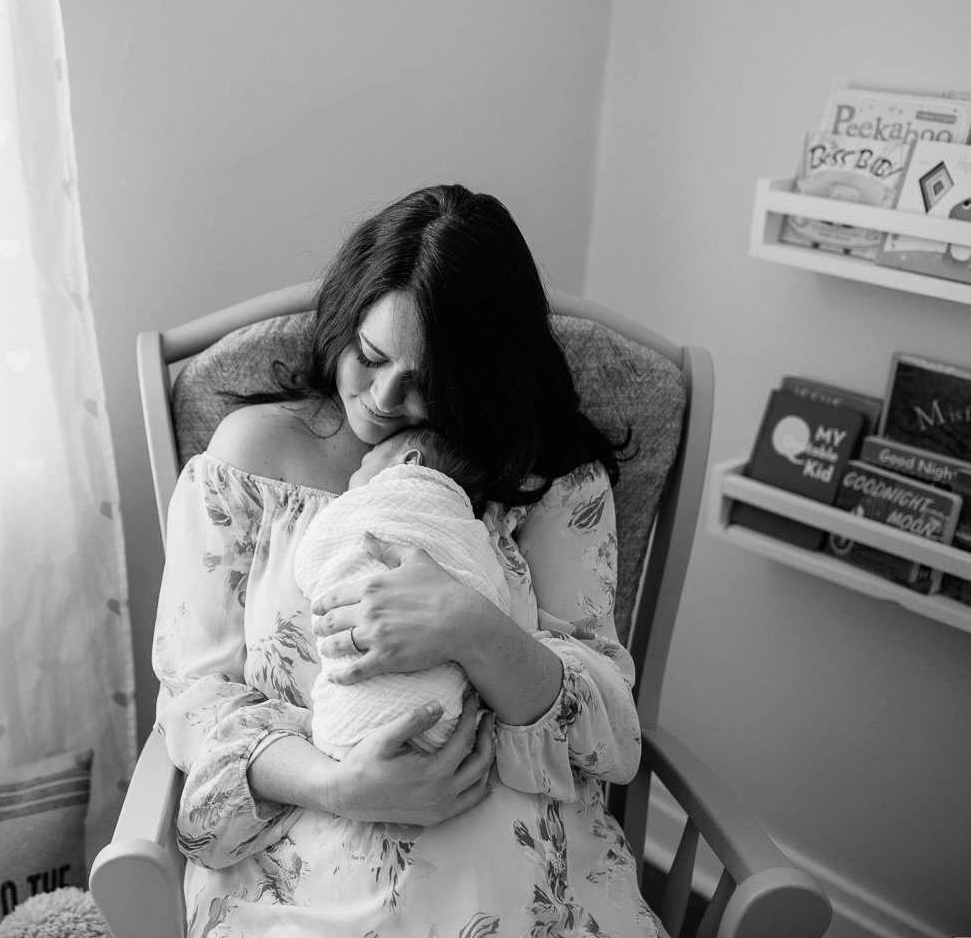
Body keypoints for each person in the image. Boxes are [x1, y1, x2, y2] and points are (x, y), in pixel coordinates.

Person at [152, 185, 660, 936]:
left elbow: (609, 734)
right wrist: (342, 786)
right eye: (372, 356)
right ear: (347, 320)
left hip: (516, 872)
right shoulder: (248, 462)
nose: (385, 397)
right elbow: (196, 704)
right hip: (309, 847)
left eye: (428, 382)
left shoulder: (549, 484)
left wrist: (470, 626)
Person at [300, 426, 515, 761]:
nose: (353, 479)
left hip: (347, 732)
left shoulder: (364, 507)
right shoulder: (471, 531)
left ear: (409, 462)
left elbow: (310, 559)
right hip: (441, 729)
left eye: (364, 464)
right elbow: (497, 596)